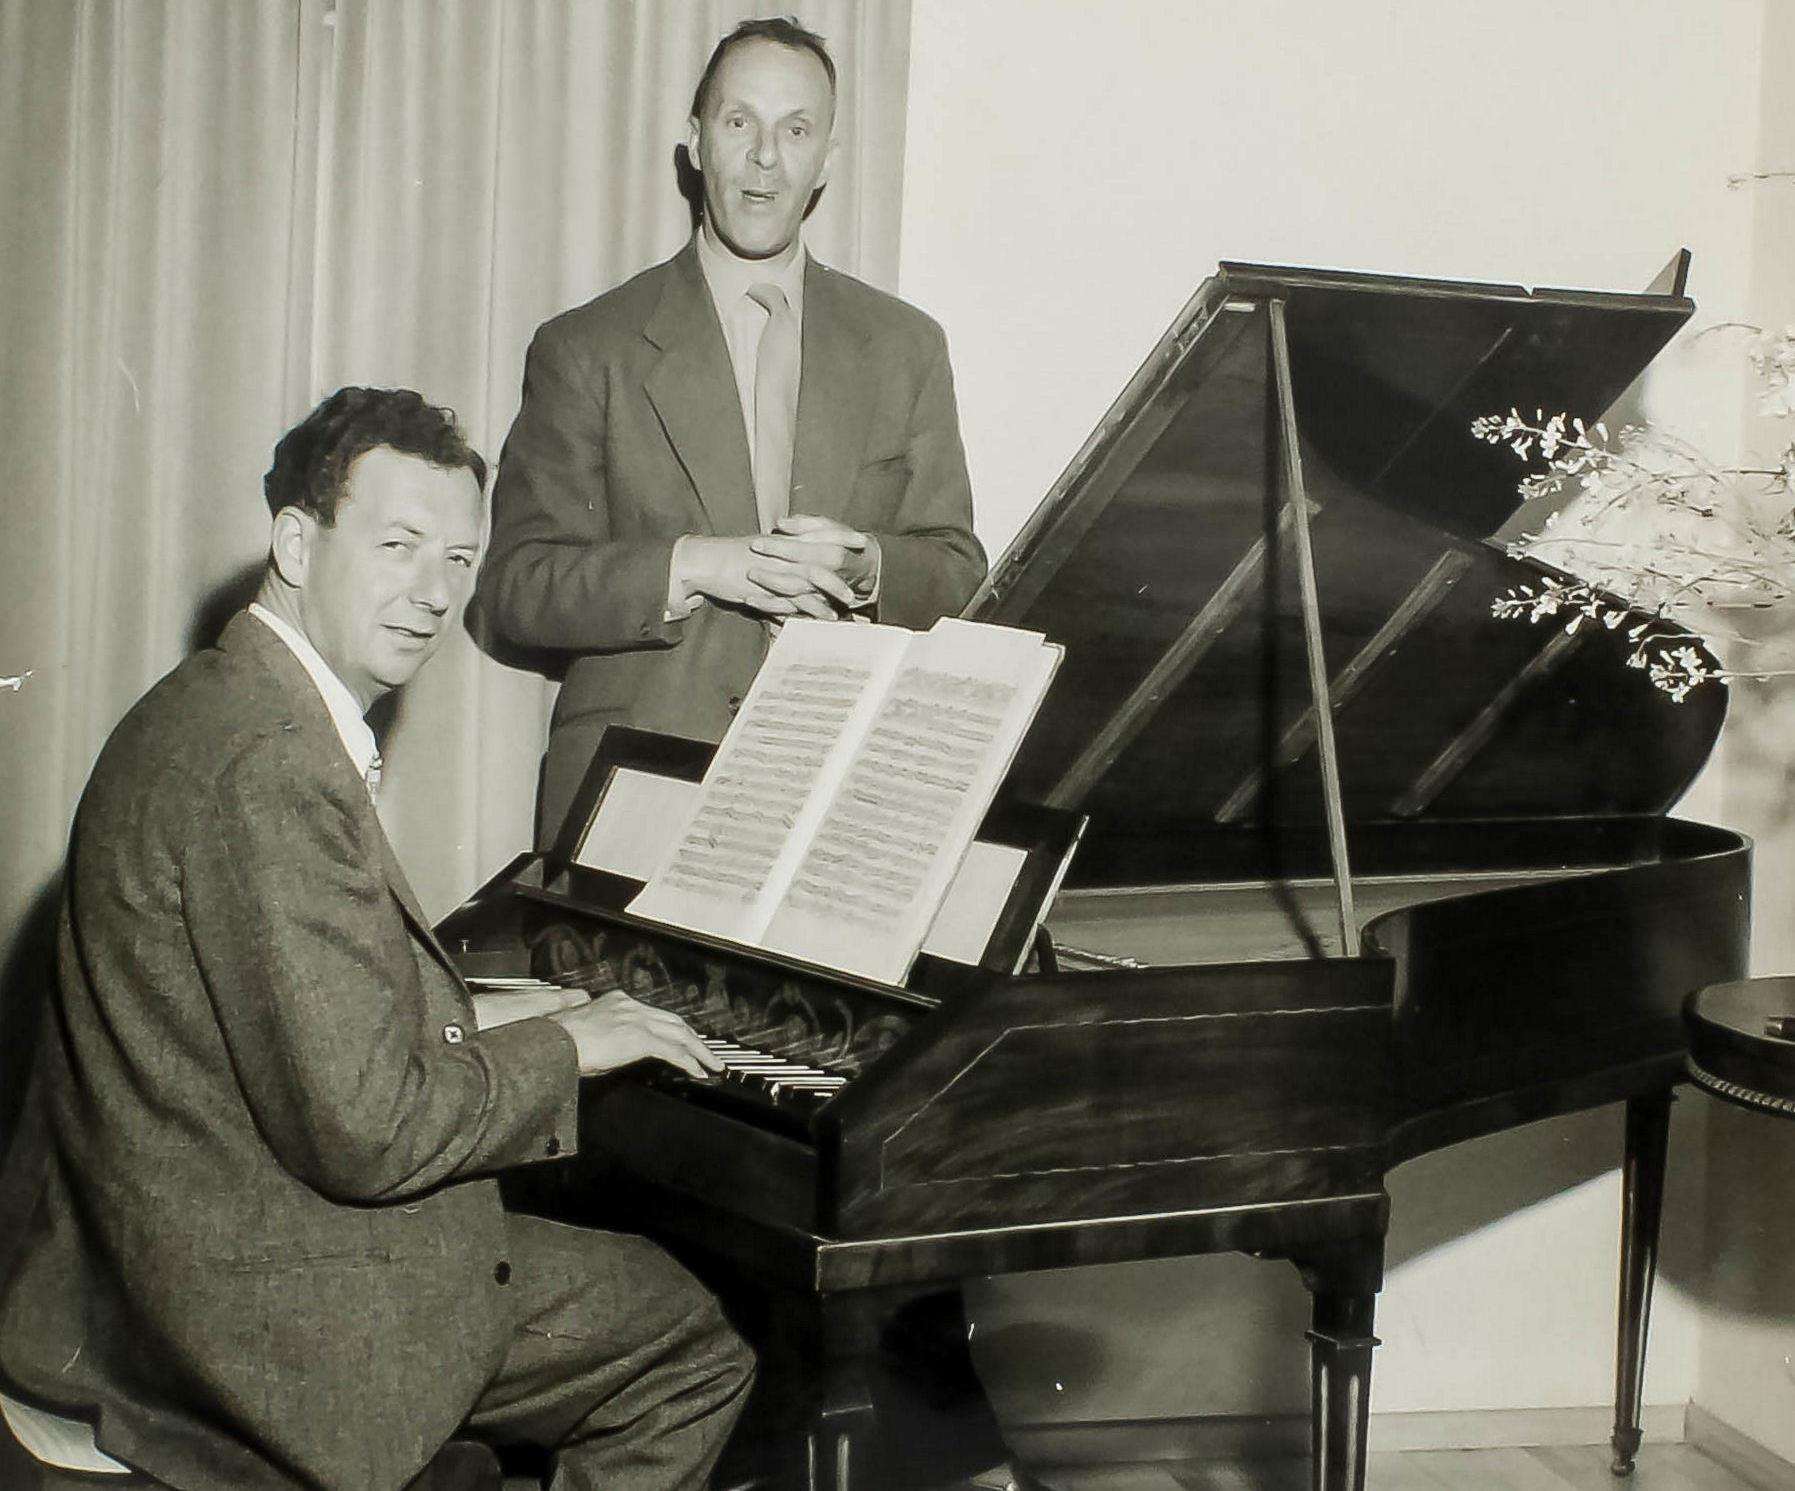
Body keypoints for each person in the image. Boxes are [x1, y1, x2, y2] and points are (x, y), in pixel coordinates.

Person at [0, 388, 752, 1491]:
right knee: (686, 1342)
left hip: (153, 1255)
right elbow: (368, 1129)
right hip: (256, 1314)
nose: (436, 593)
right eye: (397, 546)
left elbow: (280, 1003)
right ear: (296, 542)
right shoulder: (268, 763)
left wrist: (486, 1013)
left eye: (459, 557)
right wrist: (571, 1046)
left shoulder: (212, 702)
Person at [475, 16, 987, 845]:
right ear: (694, 141)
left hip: (840, 801)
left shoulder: (906, 346)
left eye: (796, 130)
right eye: (738, 121)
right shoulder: (585, 345)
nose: (764, 158)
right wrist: (699, 565)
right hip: (630, 803)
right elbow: (516, 587)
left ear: (826, 159)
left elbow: (960, 573)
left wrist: (866, 569)